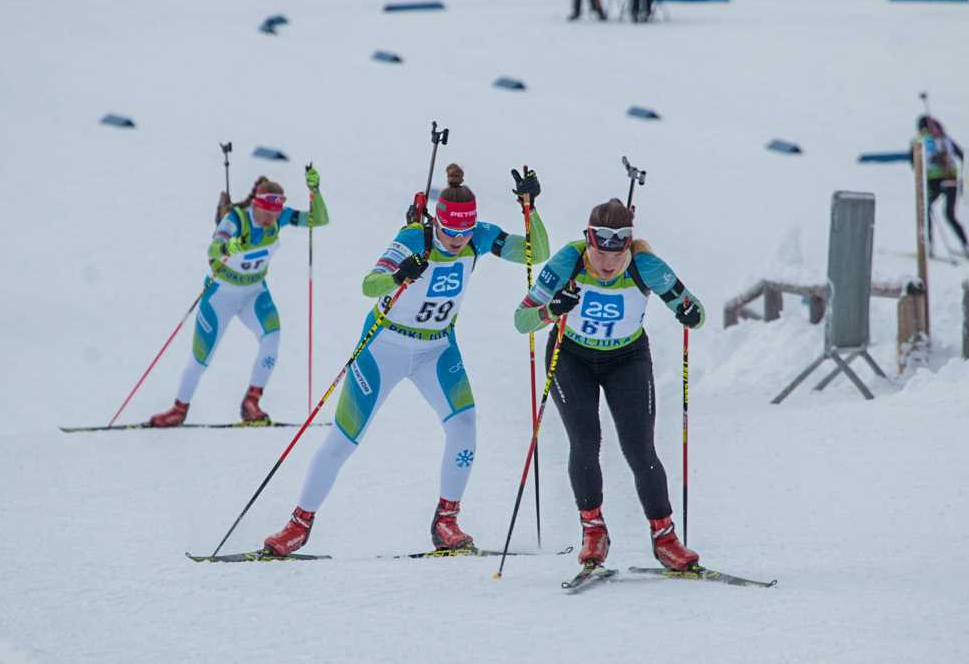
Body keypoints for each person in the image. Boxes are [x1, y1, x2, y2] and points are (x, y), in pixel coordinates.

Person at [263, 164, 550, 554]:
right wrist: (400, 275)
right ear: (438, 222)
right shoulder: (415, 238)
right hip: (385, 348)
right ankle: (299, 524)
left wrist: (530, 209)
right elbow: (369, 285)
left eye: (465, 232)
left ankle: (447, 521)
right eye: (450, 231)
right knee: (344, 439)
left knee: (464, 423)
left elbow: (538, 252)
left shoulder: (478, 238)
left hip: (437, 348)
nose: (457, 240)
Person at [514, 198, 705, 571]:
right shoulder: (566, 263)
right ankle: (593, 530)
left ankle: (665, 538)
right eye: (600, 256)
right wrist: (551, 310)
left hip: (626, 359)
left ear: (628, 250)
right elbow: (522, 321)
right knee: (585, 441)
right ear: (589, 243)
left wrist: (689, 312)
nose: (607, 266)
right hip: (571, 357)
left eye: (616, 260)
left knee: (639, 448)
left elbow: (694, 312)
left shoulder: (646, 265)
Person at [149, 170, 330, 427]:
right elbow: (213, 248)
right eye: (267, 214)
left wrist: (315, 191)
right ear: (256, 205)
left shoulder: (279, 217)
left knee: (272, 338)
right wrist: (228, 247)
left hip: (253, 293)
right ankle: (179, 409)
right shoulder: (236, 220)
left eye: (276, 214)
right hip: (221, 295)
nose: (271, 220)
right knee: (201, 358)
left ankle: (251, 402)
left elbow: (318, 220)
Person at [911, 115, 967, 257]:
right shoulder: (923, 140)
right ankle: (929, 247)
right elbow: (913, 158)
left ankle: (965, 245)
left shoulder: (945, 140)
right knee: (927, 210)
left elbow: (961, 156)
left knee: (948, 214)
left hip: (949, 180)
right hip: (935, 181)